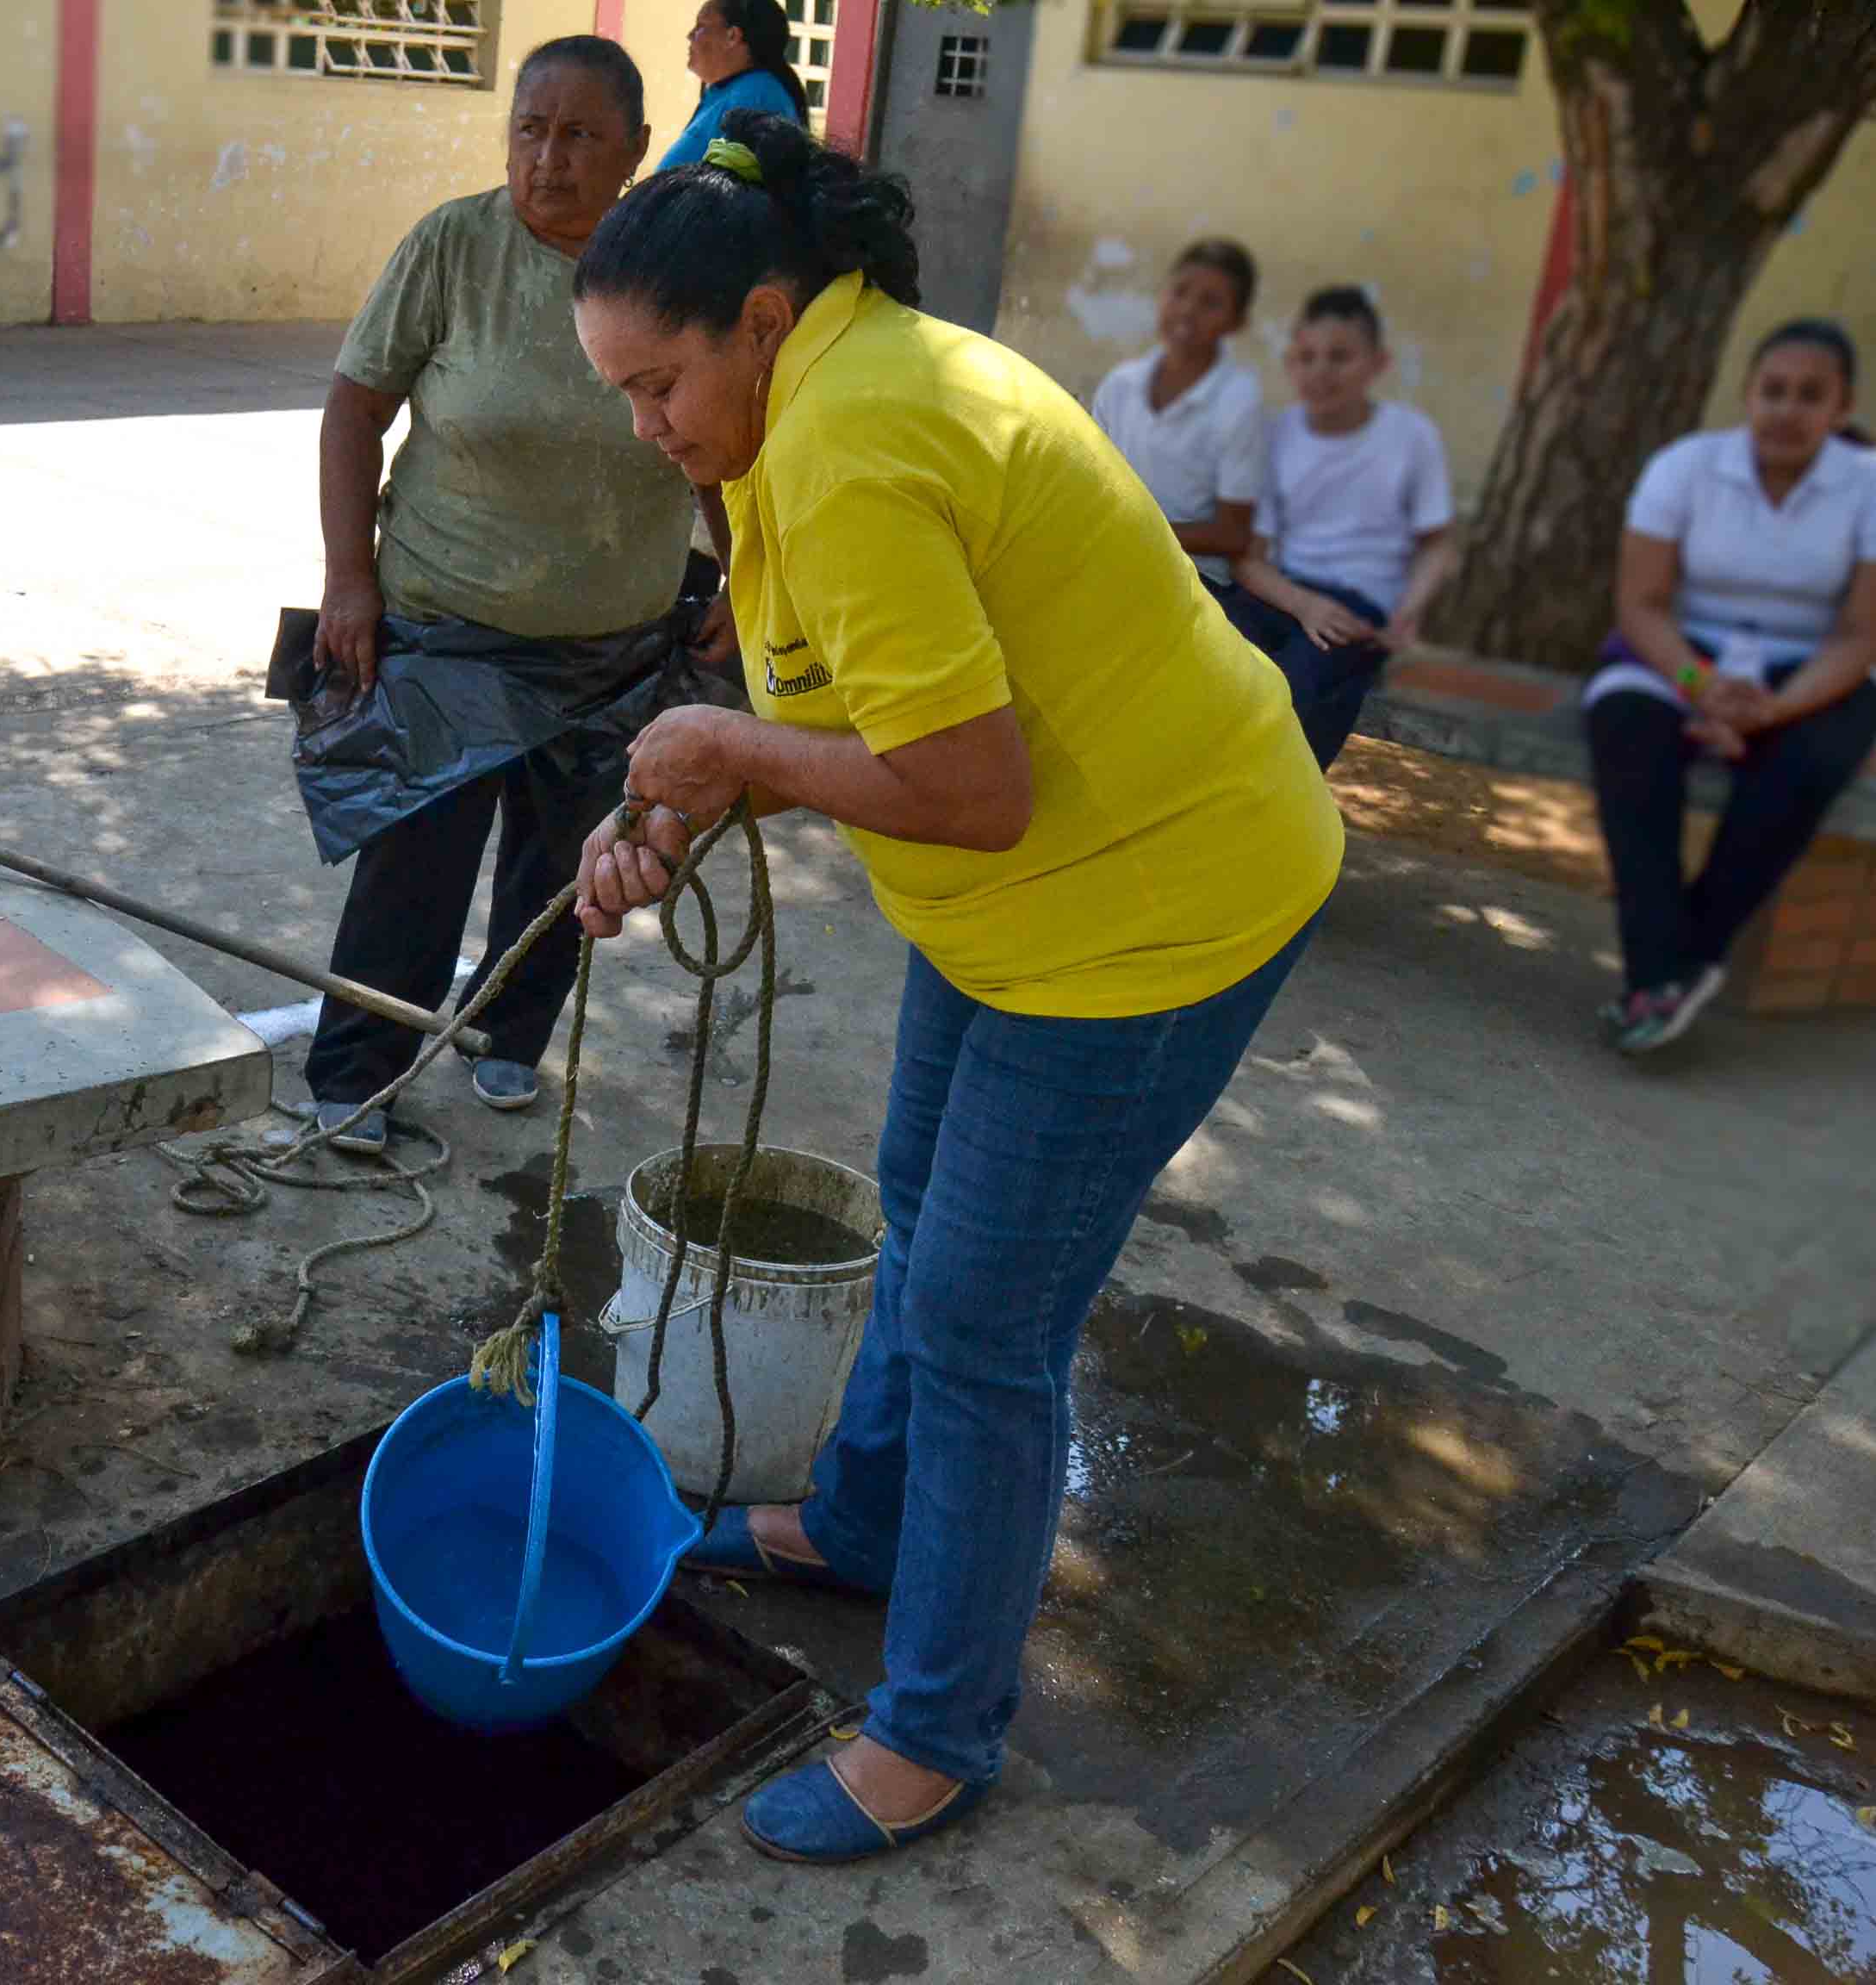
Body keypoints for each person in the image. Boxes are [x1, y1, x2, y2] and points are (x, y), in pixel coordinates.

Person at [569, 111, 1340, 1864]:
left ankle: (934, 1736)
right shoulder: (799, 410)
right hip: (1030, 900)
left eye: (659, 382)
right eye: (622, 392)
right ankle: (858, 1522)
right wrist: (675, 806)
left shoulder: (850, 438)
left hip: (1158, 908)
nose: (648, 428)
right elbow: (845, 712)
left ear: (763, 318)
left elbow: (971, 790)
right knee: (920, 1210)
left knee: (990, 1325)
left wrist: (711, 743)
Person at [301, 35, 724, 1153]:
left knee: (564, 867)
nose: (549, 158)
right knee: (414, 866)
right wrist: (349, 577)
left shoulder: (671, 271)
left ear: (637, 149)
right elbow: (355, 411)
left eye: (582, 134)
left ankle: (506, 1037)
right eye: (530, 130)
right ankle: (358, 1073)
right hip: (445, 621)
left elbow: (725, 441)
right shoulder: (452, 245)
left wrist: (745, 578)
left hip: (615, 642)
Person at [1583, 319, 1876, 1055]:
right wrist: (1703, 687)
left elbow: (1863, 634)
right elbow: (1642, 603)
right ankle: (1660, 969)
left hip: (1811, 671)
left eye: (1810, 395)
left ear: (1841, 407)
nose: (1787, 409)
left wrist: (1772, 711)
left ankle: (1685, 959)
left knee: (1809, 763)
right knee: (1627, 740)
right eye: (1773, 390)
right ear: (1748, 395)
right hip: (1681, 656)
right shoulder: (1683, 468)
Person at [1229, 285, 1456, 767]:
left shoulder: (1411, 438)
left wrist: (1407, 614)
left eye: (1340, 357)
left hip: (1358, 608)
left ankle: (1269, 815)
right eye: (1307, 357)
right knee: (1205, 651)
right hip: (1285, 596)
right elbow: (1248, 560)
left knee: (1288, 691)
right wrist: (1304, 605)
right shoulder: (1276, 436)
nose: (1320, 373)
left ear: (1378, 363)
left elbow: (1437, 546)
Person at [1088, 238, 1263, 598]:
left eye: (1211, 303)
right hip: (1114, 556)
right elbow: (1091, 483)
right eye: (1179, 292)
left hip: (1195, 579)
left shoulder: (1238, 401)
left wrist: (1139, 533)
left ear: (1237, 321)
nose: (1187, 310)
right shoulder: (1121, 384)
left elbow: (1233, 533)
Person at [655, 0, 806, 176]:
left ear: (732, 36)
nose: (690, 35)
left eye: (700, 26)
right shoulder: (728, 92)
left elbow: (734, 191)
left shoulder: (756, 96)